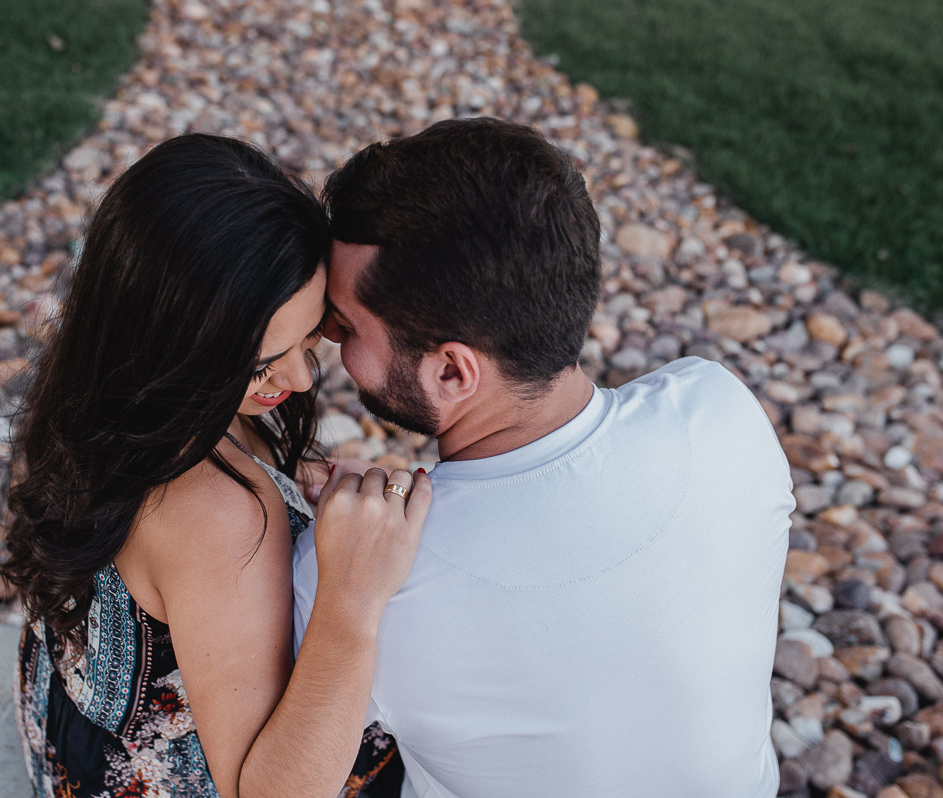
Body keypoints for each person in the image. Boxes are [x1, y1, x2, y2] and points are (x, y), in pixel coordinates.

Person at [292, 117, 795, 796]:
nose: (325, 335)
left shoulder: (367, 581)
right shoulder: (718, 412)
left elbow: (286, 767)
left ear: (452, 373)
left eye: (346, 324)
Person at [0, 133, 430, 798]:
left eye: (310, 337)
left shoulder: (106, 388)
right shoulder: (218, 515)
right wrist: (353, 596)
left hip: (76, 736)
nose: (302, 379)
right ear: (175, 345)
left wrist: (291, 488)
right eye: (260, 364)